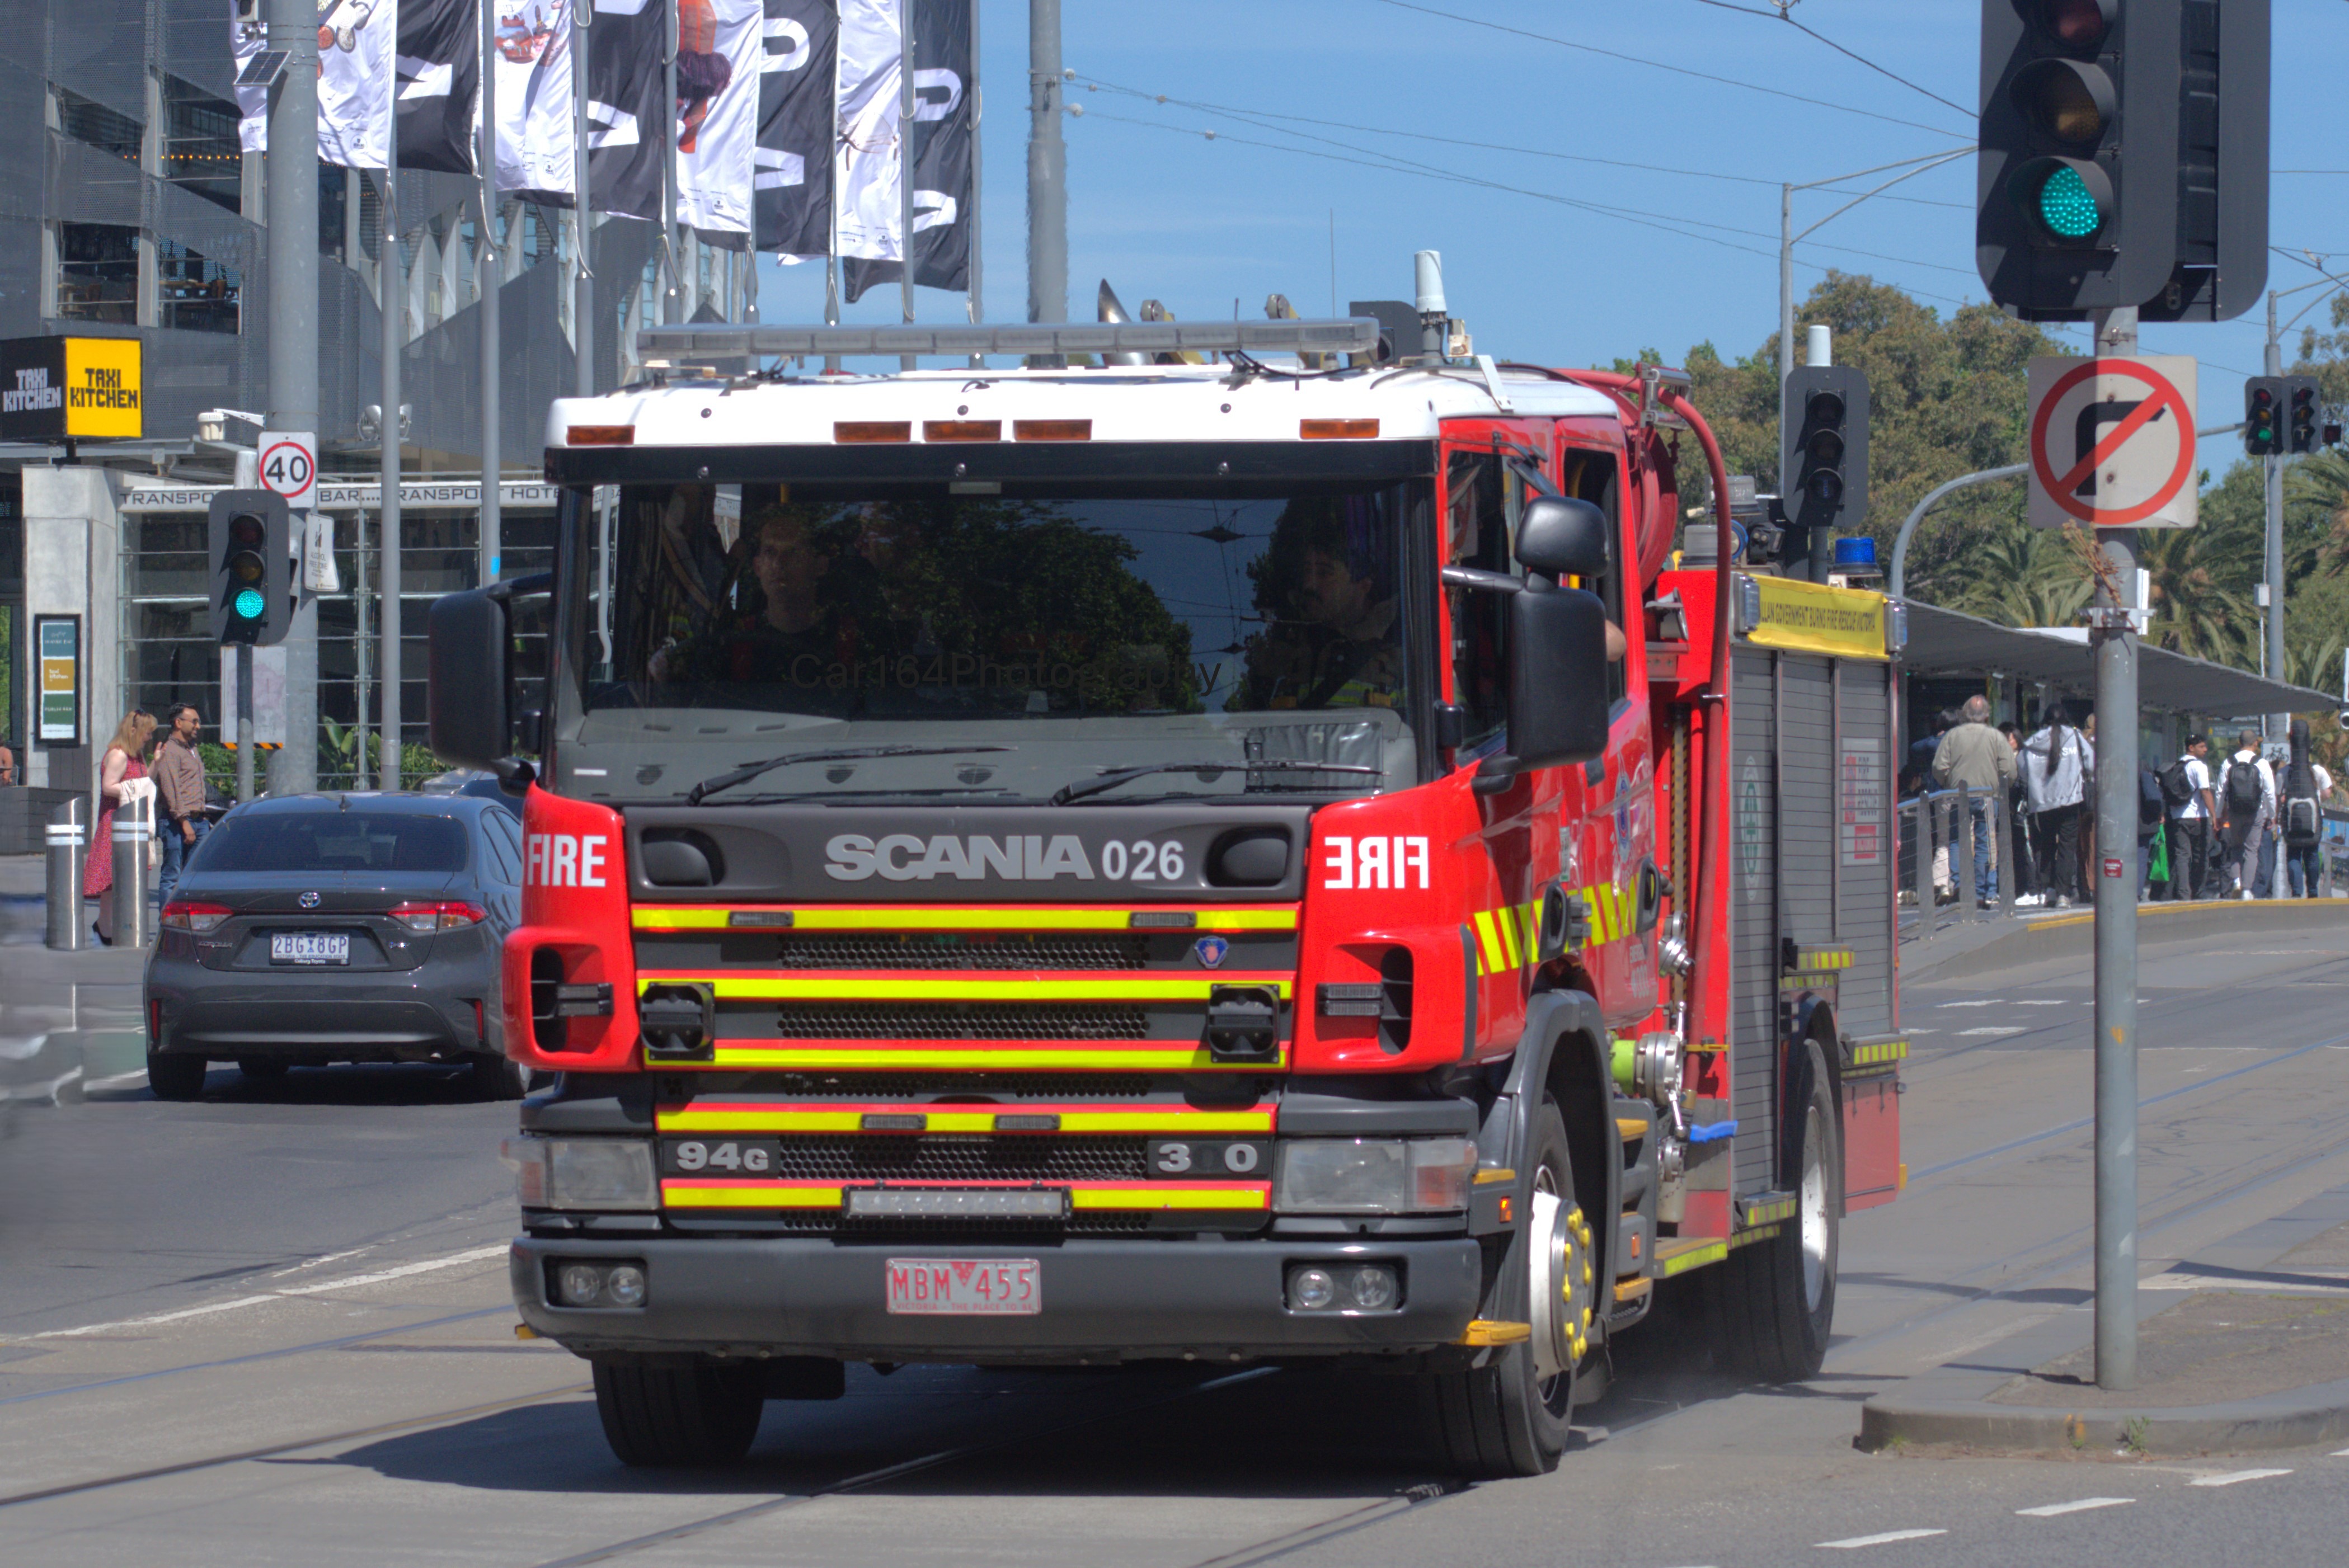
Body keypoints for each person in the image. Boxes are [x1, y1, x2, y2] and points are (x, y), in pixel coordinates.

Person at [1931, 695, 2016, 905]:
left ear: (1965, 714)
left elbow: (1939, 767)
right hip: (1987, 796)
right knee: (1984, 842)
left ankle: (1959, 884)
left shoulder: (1952, 736)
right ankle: (1980, 890)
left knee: (1955, 841)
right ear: (1987, 715)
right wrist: (2000, 786)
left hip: (1957, 795)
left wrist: (1949, 783)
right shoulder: (1996, 737)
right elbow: (2009, 769)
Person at [85, 709, 157, 945]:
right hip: (116, 821)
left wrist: (156, 763)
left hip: (130, 820)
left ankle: (114, 927)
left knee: (126, 877)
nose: (149, 737)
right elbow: (109, 787)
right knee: (111, 878)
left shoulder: (136, 755)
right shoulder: (118, 755)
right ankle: (105, 928)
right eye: (147, 732)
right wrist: (134, 790)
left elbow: (145, 783)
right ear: (133, 731)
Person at [2022, 702, 2093, 909]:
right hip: (2070, 800)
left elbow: (2022, 769)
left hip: (2043, 802)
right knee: (2067, 848)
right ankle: (2063, 893)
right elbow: (2091, 763)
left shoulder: (2034, 740)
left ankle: (2049, 890)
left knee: (2046, 845)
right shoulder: (2075, 737)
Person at [152, 703, 211, 906]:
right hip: (176, 823)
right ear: (178, 723)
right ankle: (167, 924)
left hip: (199, 821)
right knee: (173, 876)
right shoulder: (170, 750)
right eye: (194, 721)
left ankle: (187, 921)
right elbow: (170, 789)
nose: (198, 726)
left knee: (194, 876)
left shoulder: (192, 749)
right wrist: (184, 822)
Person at [2216, 728, 2275, 900]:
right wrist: (2272, 815)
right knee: (2251, 850)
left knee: (2236, 847)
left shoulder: (2229, 762)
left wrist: (2218, 815)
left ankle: (2236, 882)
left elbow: (2221, 792)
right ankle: (2247, 890)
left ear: (2239, 743)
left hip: (2234, 812)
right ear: (2255, 743)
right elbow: (2270, 793)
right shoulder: (2262, 763)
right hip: (2255, 812)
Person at [2280, 718, 2333, 898]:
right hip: (2313, 820)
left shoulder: (2285, 772)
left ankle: (2296, 892)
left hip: (2291, 821)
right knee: (2312, 855)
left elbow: (2278, 795)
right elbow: (2327, 793)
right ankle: (2313, 891)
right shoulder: (2318, 770)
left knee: (2294, 854)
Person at [2162, 733, 2217, 901]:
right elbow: (2205, 792)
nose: (2205, 750)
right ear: (2191, 748)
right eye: (2202, 747)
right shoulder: (2199, 766)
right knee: (2201, 856)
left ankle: (2183, 893)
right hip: (2198, 817)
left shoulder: (2176, 765)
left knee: (2182, 856)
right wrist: (2214, 815)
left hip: (2178, 817)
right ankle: (2198, 891)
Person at [1999, 723, 2041, 906]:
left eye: (2009, 739)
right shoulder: (2012, 758)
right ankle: (2023, 888)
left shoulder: (2022, 758)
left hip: (2022, 810)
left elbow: (2022, 784)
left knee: (2027, 849)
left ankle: (2033, 889)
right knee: (2019, 850)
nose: (2007, 743)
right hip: (2015, 810)